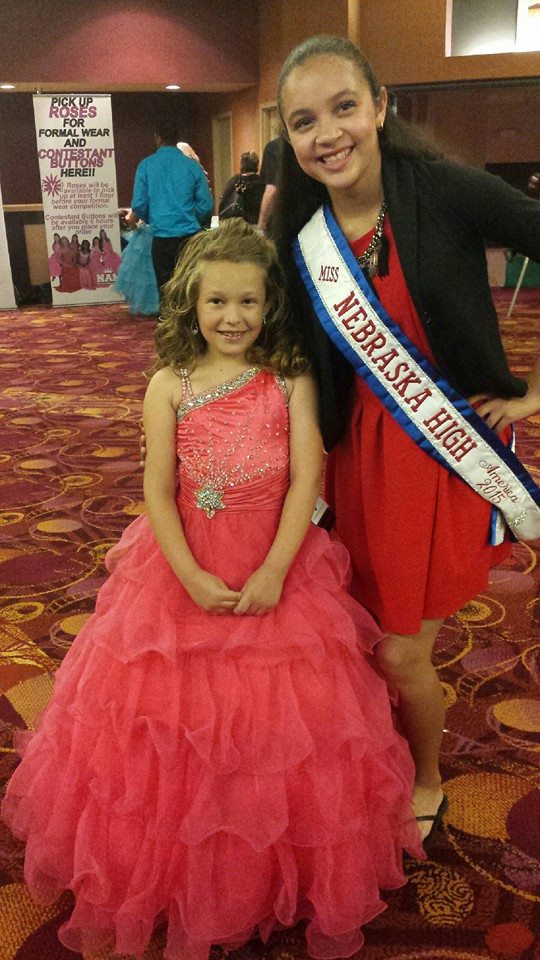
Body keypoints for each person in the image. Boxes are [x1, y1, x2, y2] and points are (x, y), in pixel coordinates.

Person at [2, 219, 423, 960]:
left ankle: (269, 859)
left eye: (248, 302)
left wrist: (275, 570)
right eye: (217, 302)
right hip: (180, 568)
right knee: (170, 723)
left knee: (282, 722)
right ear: (190, 305)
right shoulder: (168, 384)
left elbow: (308, 479)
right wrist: (190, 573)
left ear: (270, 305)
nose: (233, 317)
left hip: (277, 564)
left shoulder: (289, 381)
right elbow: (157, 491)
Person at [271, 34, 540, 842]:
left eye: (345, 107)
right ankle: (373, 758)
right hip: (352, 460)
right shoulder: (299, 226)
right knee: (358, 634)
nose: (328, 134)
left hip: (438, 456)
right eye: (304, 121)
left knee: (398, 650)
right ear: (288, 136)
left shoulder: (444, 189)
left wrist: (538, 392)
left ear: (381, 106)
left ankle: (424, 777)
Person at [130, 118, 214, 305]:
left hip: (161, 237)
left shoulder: (146, 165)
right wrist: (193, 218)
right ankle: (189, 321)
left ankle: (167, 320)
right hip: (189, 237)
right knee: (189, 289)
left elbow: (139, 204)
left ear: (157, 138)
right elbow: (206, 205)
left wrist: (154, 219)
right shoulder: (192, 166)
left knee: (165, 289)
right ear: (177, 138)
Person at [218, 150, 265, 224]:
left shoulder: (234, 180)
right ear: (256, 164)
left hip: (235, 223)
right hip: (255, 223)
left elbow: (223, 202)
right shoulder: (261, 182)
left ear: (242, 165)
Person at [257, 136, 283, 231]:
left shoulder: (275, 147)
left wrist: (261, 227)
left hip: (283, 223)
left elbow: (271, 191)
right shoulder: (306, 147)